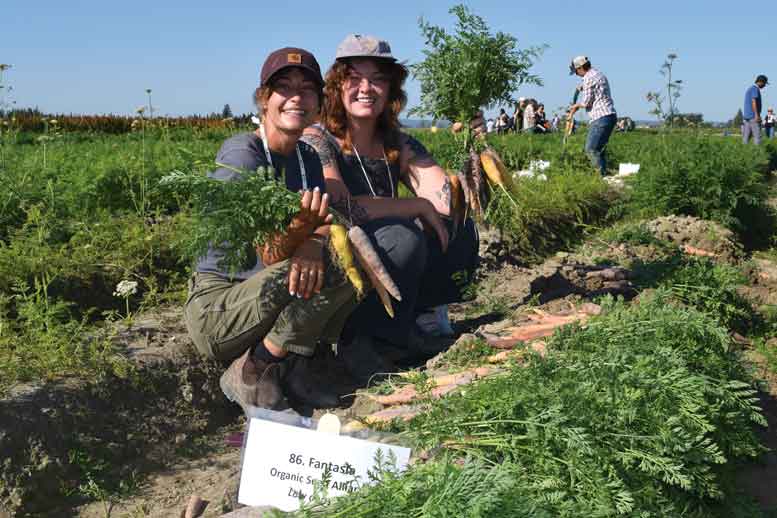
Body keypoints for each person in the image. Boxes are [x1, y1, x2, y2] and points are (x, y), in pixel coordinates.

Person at [184, 47, 359, 413]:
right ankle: (252, 370)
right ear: (264, 99)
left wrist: (312, 238)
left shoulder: (307, 158)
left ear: (318, 102)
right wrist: (307, 235)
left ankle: (290, 368)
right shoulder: (242, 154)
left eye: (307, 89)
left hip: (265, 292)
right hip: (220, 307)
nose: (296, 97)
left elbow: (326, 222)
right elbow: (269, 253)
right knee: (336, 261)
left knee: (350, 252)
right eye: (284, 87)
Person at [301, 34, 480, 381]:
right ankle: (358, 340)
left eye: (378, 79)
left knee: (456, 225)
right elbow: (340, 206)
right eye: (354, 79)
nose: (365, 88)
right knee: (404, 235)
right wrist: (413, 205)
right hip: (335, 258)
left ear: (391, 89)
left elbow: (443, 198)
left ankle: (413, 321)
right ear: (337, 86)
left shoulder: (397, 142)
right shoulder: (318, 139)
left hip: (387, 253)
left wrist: (472, 153)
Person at [567, 55, 617, 175]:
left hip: (600, 117)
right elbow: (596, 88)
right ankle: (604, 175)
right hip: (610, 116)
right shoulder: (598, 74)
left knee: (591, 149)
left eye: (576, 72)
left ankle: (599, 177)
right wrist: (583, 87)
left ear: (580, 68)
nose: (576, 74)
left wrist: (574, 108)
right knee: (599, 150)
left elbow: (586, 102)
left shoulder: (588, 78)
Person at [743, 75, 769, 144]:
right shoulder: (755, 89)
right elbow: (753, 101)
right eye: (764, 83)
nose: (764, 85)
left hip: (747, 117)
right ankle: (757, 153)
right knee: (758, 136)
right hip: (753, 117)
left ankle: (744, 152)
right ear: (760, 82)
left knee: (746, 138)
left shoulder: (750, 88)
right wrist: (757, 115)